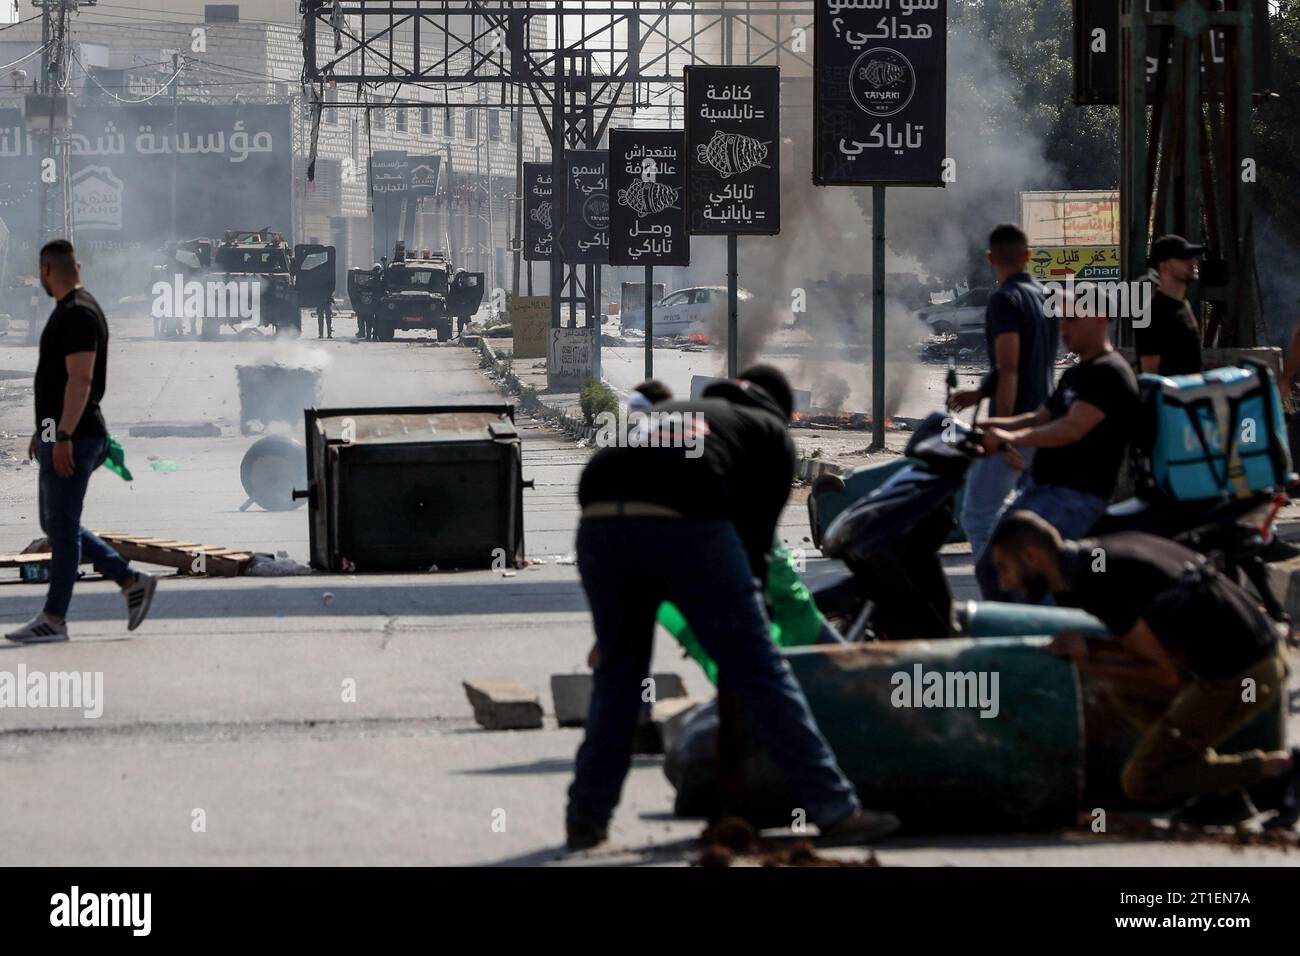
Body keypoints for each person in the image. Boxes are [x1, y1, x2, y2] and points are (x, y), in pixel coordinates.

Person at [568, 365, 899, 850]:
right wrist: (751, 626)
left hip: (598, 519)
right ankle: (834, 808)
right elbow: (757, 547)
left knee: (620, 677)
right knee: (762, 670)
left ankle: (586, 818)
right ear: (782, 410)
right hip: (687, 523)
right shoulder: (769, 432)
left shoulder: (683, 411)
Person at [987, 513, 1300, 826]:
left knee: (1143, 781)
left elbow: (1162, 672)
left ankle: (1279, 770)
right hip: (1259, 652)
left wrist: (1088, 664)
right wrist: (1090, 645)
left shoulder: (1095, 580)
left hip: (1244, 674)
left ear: (1032, 555)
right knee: (1127, 692)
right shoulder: (1103, 552)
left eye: (1004, 567)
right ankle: (1221, 797)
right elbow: (1150, 646)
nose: (1003, 583)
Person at [5, 240, 158, 644]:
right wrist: (46, 433)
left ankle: (54, 618)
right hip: (65, 434)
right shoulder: (71, 310)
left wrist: (64, 437)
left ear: (45, 271)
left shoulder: (77, 314)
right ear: (76, 265)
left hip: (80, 435)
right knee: (56, 523)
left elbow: (81, 381)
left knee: (63, 525)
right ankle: (129, 580)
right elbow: (56, 384)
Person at [974, 288, 1140, 600]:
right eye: (1063, 318)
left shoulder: (1111, 373)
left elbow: (1072, 428)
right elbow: (1039, 418)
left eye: (1074, 318)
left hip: (1074, 496)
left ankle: (1044, 639)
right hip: (1041, 488)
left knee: (1024, 574)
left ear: (1101, 319)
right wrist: (986, 426)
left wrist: (1009, 438)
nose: (1065, 327)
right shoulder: (1076, 374)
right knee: (992, 566)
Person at [948, 224, 1057, 593]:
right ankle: (1037, 593)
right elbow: (1027, 364)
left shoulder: (1003, 300)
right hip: (1044, 424)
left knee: (977, 516)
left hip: (1017, 427)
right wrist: (978, 396)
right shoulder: (1044, 296)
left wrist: (1002, 434)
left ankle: (998, 592)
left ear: (990, 259)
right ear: (1028, 256)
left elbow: (1010, 369)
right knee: (1032, 519)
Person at [1135, 235, 1204, 377]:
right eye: (1184, 258)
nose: (1193, 262)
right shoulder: (1153, 314)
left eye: (1192, 257)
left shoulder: (1183, 305)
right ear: (1164, 266)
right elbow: (1150, 377)